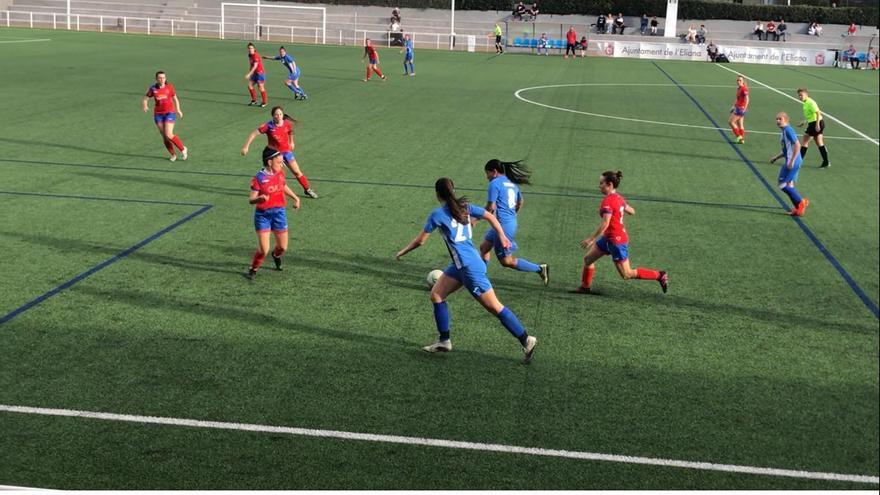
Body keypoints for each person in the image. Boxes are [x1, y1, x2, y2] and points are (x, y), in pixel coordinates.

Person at [395, 178, 538, 362]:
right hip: (461, 265)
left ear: (437, 194)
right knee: (436, 294)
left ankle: (526, 339)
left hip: (470, 269)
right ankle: (444, 340)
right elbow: (490, 215)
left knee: (495, 307)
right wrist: (501, 235)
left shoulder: (437, 214)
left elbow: (420, 241)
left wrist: (402, 251)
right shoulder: (465, 207)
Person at [571, 171, 668, 295]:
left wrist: (591, 239)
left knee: (627, 274)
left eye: (601, 183)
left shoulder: (608, 202)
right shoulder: (619, 198)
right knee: (588, 259)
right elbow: (632, 211)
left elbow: (605, 223)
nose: (599, 186)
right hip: (608, 238)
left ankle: (660, 275)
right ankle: (585, 287)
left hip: (616, 241)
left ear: (610, 184)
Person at [477, 159, 549, 284]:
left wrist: (475, 219)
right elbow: (520, 201)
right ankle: (480, 276)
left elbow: (490, 208)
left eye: (487, 173)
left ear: (494, 172)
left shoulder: (494, 183)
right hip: (506, 223)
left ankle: (540, 269)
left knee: (506, 261)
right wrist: (512, 214)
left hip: (503, 226)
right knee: (484, 247)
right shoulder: (511, 183)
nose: (487, 177)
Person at [246, 146, 301, 279]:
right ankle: (253, 268)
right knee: (264, 249)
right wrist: (259, 198)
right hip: (263, 216)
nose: (282, 165)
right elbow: (251, 199)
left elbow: (283, 186)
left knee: (282, 247)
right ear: (270, 162)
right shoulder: (258, 178)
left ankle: (276, 255)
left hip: (279, 214)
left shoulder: (280, 173)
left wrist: (296, 198)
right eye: (279, 162)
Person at [242, 106, 318, 198]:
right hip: (275, 155)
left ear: (282, 115)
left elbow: (290, 132)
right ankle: (264, 188)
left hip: (287, 152)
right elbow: (254, 133)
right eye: (276, 115)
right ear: (273, 116)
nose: (278, 116)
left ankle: (307, 189)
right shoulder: (268, 126)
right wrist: (246, 146)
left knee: (297, 172)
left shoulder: (287, 124)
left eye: (280, 114)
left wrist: (292, 142)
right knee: (278, 175)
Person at [142, 71, 188, 162]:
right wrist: (145, 106)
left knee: (169, 134)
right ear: (156, 79)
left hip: (169, 113)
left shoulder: (169, 87)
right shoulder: (153, 88)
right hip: (158, 114)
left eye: (163, 77)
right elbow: (145, 98)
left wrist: (178, 110)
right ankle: (173, 154)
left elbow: (175, 99)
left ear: (165, 78)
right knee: (164, 137)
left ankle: (183, 149)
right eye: (160, 78)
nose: (162, 79)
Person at [769, 112, 809, 217]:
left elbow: (797, 145)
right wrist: (776, 157)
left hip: (793, 161)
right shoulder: (783, 132)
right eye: (776, 119)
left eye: (780, 119)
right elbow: (787, 150)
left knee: (782, 184)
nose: (777, 121)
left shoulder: (788, 130)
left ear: (786, 120)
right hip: (793, 160)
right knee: (789, 185)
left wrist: (791, 161)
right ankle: (797, 208)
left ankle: (801, 202)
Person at [796, 88, 830, 168]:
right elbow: (811, 115)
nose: (800, 97)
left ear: (806, 95)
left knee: (805, 141)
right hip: (814, 123)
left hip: (815, 123)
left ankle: (798, 162)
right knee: (819, 142)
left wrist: (817, 124)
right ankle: (826, 161)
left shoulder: (810, 102)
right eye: (799, 95)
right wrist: (804, 121)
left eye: (801, 95)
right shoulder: (806, 103)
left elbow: (818, 112)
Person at [245, 42, 268, 107]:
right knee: (250, 86)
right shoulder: (249, 55)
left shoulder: (255, 55)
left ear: (254, 49)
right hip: (254, 73)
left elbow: (255, 66)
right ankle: (254, 100)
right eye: (249, 48)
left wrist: (249, 74)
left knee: (260, 87)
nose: (250, 49)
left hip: (260, 73)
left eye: (251, 48)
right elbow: (251, 65)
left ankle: (264, 102)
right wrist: (251, 73)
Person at [729, 75, 749, 144]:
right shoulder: (738, 88)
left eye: (740, 80)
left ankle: (739, 136)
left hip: (741, 109)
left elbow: (747, 99)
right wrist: (733, 106)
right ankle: (742, 140)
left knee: (731, 122)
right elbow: (737, 99)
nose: (738, 82)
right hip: (738, 107)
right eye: (737, 80)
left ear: (743, 81)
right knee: (740, 125)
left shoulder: (744, 89)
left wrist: (744, 109)